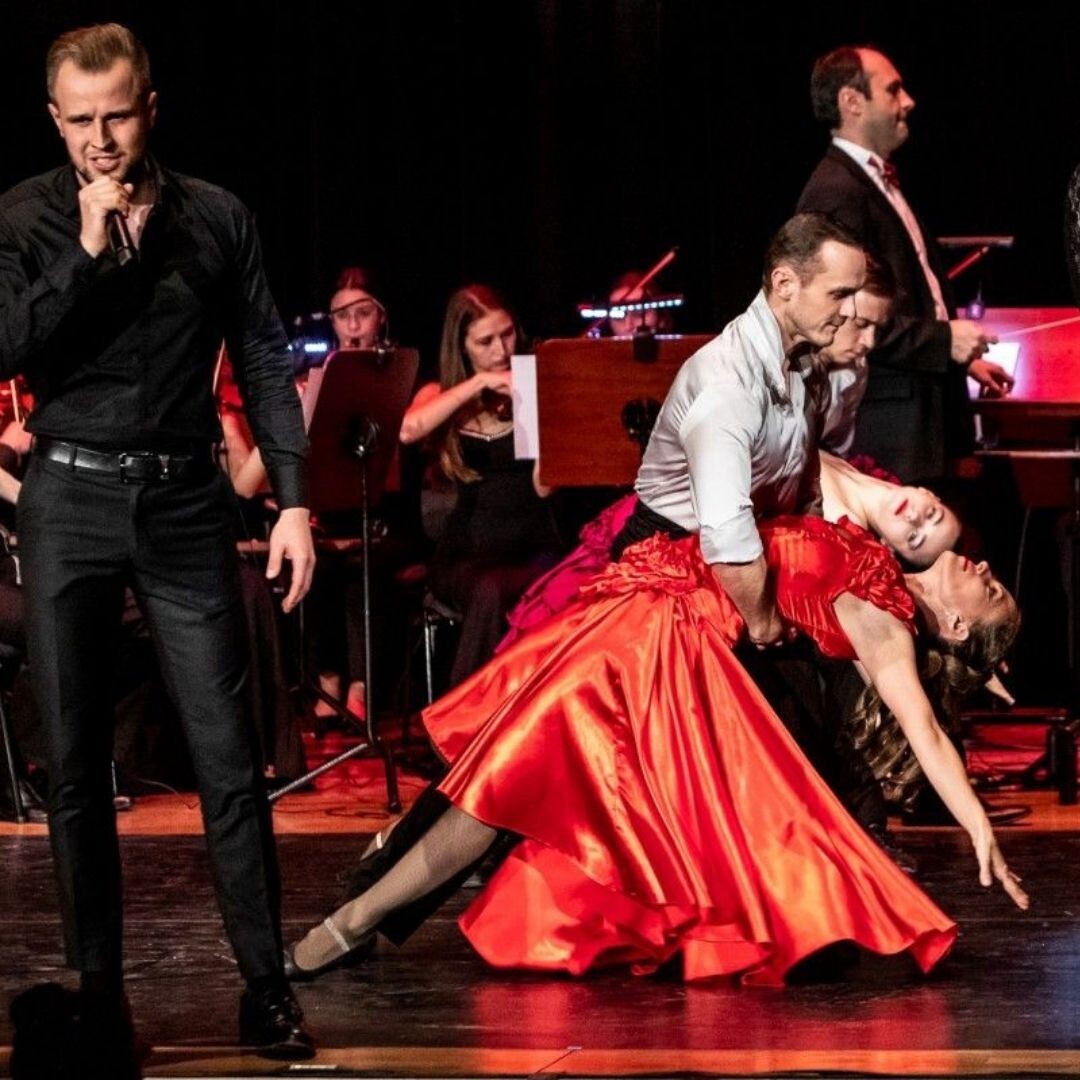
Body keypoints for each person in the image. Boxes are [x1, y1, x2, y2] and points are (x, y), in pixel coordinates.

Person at [286, 516, 1027, 985]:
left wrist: (977, 824)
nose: (987, 572)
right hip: (644, 610)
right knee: (502, 769)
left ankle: (355, 920)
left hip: (656, 651)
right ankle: (364, 908)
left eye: (992, 594)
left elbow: (924, 730)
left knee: (506, 777)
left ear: (958, 629)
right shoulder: (880, 555)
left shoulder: (888, 625)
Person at [0, 24, 315, 1057]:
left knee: (229, 759)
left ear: (150, 108)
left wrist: (294, 501)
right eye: (80, 121)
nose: (100, 139)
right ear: (56, 121)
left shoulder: (215, 216)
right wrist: (85, 253)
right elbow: (7, 343)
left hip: (183, 505)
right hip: (69, 499)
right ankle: (99, 996)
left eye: (117, 116)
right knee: (75, 765)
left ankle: (266, 988)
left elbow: (263, 355)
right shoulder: (25, 217)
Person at [796, 46, 1013, 483]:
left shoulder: (874, 180)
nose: (908, 101)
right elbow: (840, 318)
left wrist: (960, 361)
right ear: (852, 102)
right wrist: (944, 340)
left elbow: (915, 296)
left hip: (922, 415)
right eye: (893, 90)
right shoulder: (836, 190)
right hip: (891, 432)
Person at [399, 284, 564, 686]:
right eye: (485, 341)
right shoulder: (440, 392)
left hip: (531, 548)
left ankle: (476, 709)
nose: (501, 350)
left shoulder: (537, 385)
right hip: (464, 555)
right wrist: (479, 384)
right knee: (488, 589)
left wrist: (538, 412)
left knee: (509, 588)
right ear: (462, 346)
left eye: (507, 334)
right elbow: (408, 429)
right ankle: (472, 712)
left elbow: (544, 489)